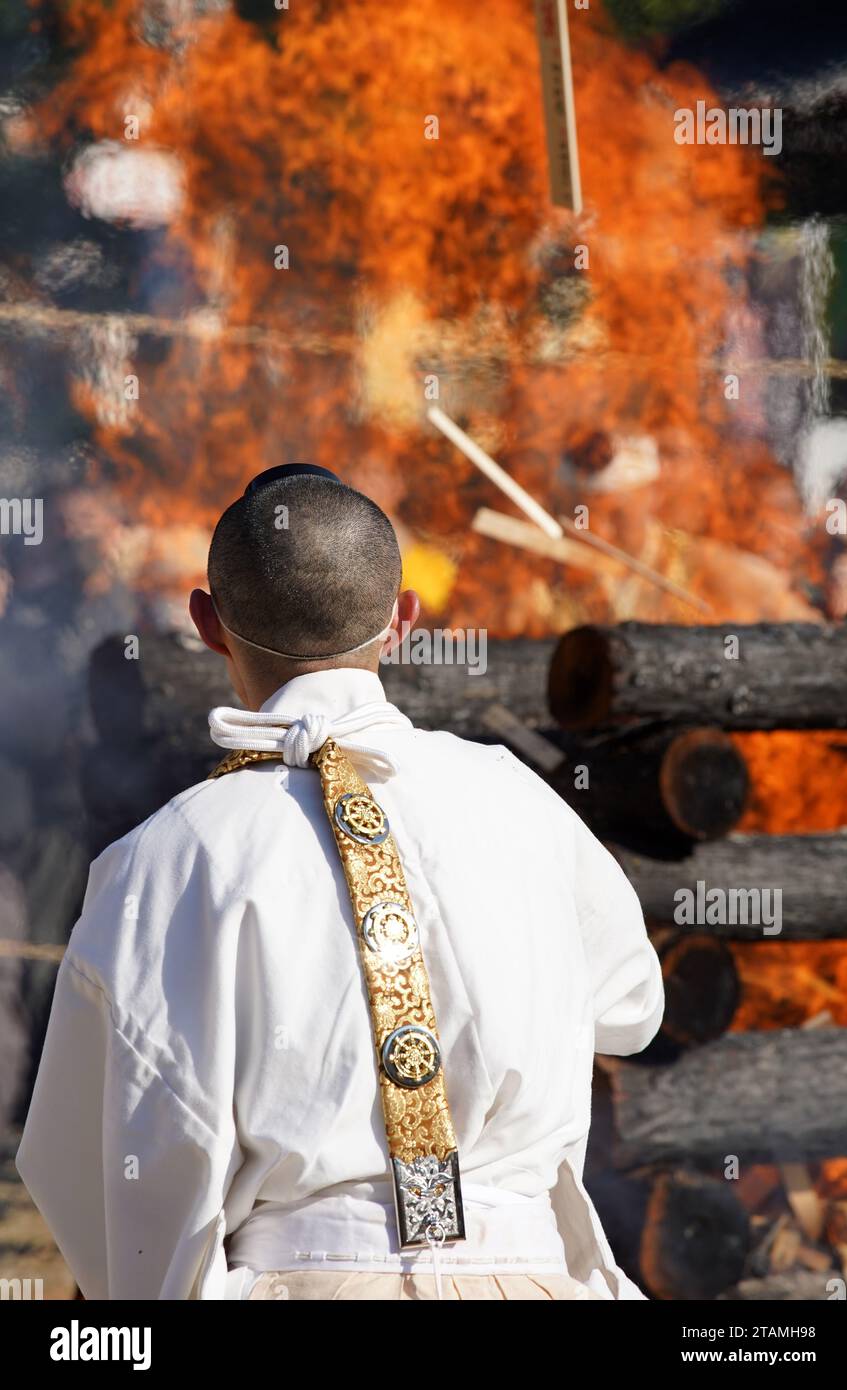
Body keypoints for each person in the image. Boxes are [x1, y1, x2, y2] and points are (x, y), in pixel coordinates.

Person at [16, 464, 664, 1301]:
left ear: (207, 625)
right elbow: (632, 1010)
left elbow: (109, 1159)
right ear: (403, 621)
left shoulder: (164, 857)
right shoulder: (521, 801)